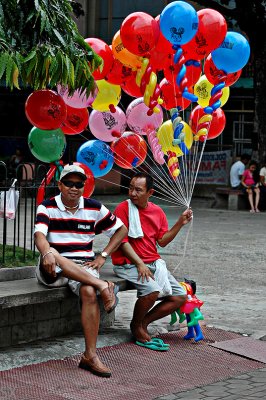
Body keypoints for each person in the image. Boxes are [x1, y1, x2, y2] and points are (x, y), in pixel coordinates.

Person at [34, 164, 127, 378]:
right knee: (55, 253)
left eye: (79, 184)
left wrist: (103, 256)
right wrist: (47, 252)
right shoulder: (46, 206)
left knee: (87, 291)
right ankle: (103, 286)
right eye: (68, 183)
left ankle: (90, 356)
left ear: (84, 186)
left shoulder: (94, 207)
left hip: (84, 266)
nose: (74, 188)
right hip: (52, 266)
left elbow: (122, 229)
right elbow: (40, 235)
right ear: (60, 185)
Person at [111, 172, 193, 349]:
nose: (132, 193)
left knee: (179, 297)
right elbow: (122, 242)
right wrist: (139, 263)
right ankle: (135, 325)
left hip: (152, 262)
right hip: (128, 263)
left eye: (138, 190)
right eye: (131, 188)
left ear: (150, 193)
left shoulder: (157, 211)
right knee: (151, 290)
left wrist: (180, 223)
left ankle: (143, 323)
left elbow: (162, 241)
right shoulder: (123, 209)